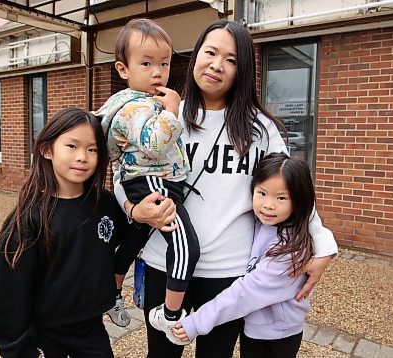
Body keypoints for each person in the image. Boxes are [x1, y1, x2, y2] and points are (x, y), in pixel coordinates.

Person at [113, 19, 338, 357]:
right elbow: (122, 171)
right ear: (196, 56)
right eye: (210, 52)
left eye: (231, 59)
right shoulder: (161, 113)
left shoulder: (260, 129)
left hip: (228, 272)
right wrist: (133, 209)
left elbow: (294, 191)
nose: (217, 65)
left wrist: (323, 247)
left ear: (242, 70)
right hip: (164, 259)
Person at [0, 108, 126, 358]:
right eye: (72, 146)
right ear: (47, 149)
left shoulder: (104, 204)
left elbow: (124, 242)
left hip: (91, 328)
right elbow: (8, 296)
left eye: (92, 149)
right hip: (44, 335)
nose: (83, 157)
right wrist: (20, 350)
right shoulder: (29, 219)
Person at [94, 18, 198, 334]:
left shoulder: (139, 102)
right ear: (123, 69)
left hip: (146, 179)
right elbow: (153, 146)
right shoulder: (135, 108)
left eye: (164, 63)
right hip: (153, 179)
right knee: (185, 246)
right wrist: (172, 111)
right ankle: (169, 314)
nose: (158, 72)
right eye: (147, 63)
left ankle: (110, 294)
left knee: (133, 237)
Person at [172, 152, 317, 357]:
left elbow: (246, 292)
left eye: (281, 197)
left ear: (299, 200)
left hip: (278, 334)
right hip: (256, 327)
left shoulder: (290, 249)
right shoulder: (263, 223)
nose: (268, 204)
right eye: (262, 193)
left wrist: (198, 322)